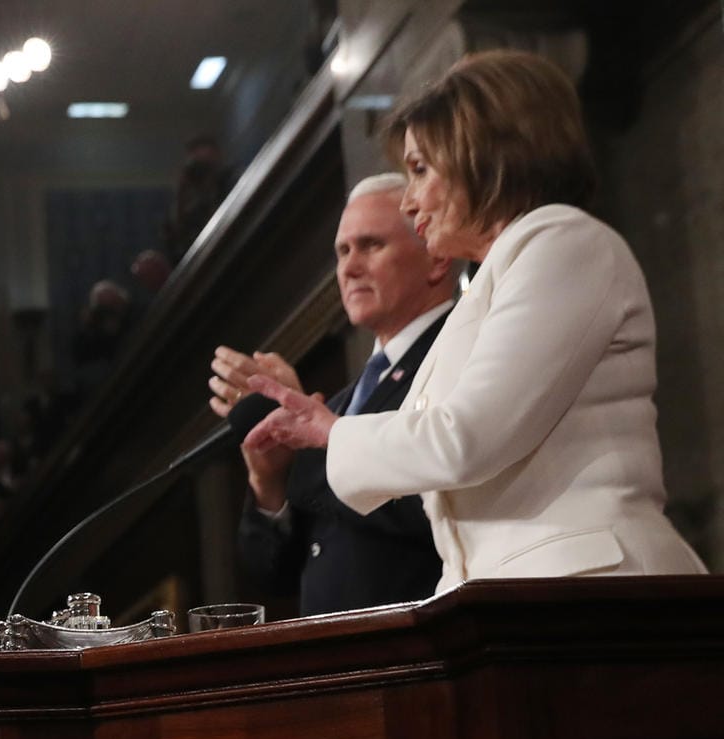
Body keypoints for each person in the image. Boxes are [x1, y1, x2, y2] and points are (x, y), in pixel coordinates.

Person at [245, 50, 706, 588]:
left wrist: (331, 431)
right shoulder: (495, 280)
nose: (410, 202)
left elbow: (467, 437)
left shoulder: (562, 240)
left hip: (593, 590)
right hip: (510, 600)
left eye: (420, 170)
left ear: (484, 157)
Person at [210, 174, 452, 614]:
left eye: (371, 245)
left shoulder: (456, 358)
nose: (349, 267)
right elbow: (271, 573)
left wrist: (319, 443)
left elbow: (435, 506)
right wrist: (270, 483)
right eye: (342, 251)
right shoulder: (344, 402)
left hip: (421, 656)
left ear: (436, 258)